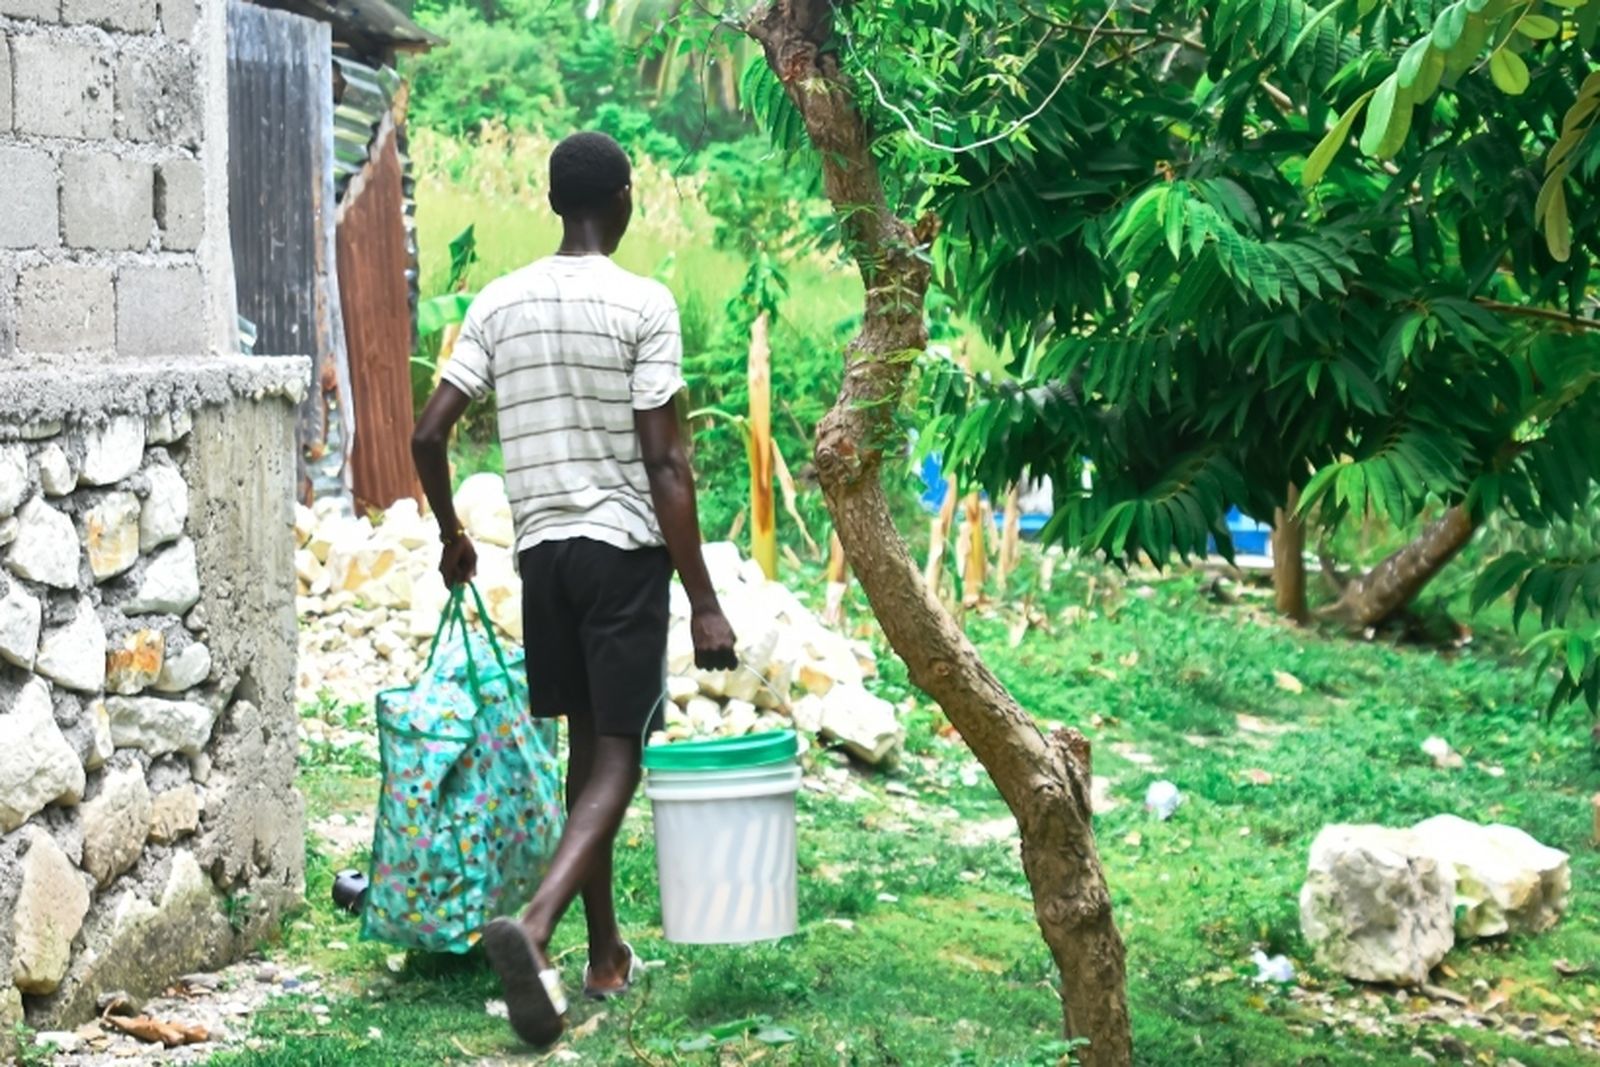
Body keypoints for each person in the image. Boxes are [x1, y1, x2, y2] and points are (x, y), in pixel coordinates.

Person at [410, 130, 738, 1048]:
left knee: (581, 752)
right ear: (624, 199)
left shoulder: (499, 302)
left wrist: (453, 535)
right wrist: (704, 598)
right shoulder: (643, 302)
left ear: (558, 202)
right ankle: (541, 926)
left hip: (543, 554)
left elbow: (430, 434)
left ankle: (604, 955)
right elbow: (665, 459)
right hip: (624, 553)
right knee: (622, 749)